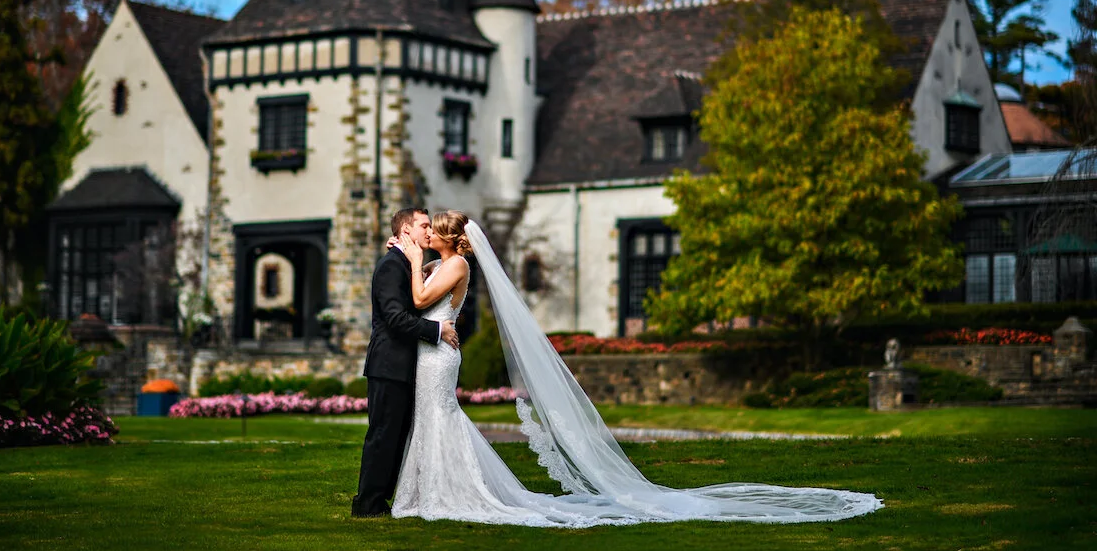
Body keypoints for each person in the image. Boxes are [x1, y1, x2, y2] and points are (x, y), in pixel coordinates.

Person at [387, 210, 884, 527]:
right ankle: (430, 487)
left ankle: (455, 491)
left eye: (431, 230)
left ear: (447, 239)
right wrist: (409, 255)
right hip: (433, 350)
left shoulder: (450, 266)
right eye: (422, 230)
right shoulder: (441, 263)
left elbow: (416, 298)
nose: (425, 234)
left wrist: (411, 259)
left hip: (439, 356)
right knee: (436, 418)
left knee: (441, 416)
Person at [351, 207, 460, 518]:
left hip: (405, 364)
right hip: (388, 364)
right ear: (405, 231)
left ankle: (380, 502)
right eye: (423, 226)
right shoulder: (391, 267)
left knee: (397, 436)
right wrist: (438, 329)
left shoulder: (409, 264)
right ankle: (367, 504)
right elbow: (396, 319)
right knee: (384, 434)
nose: (428, 231)